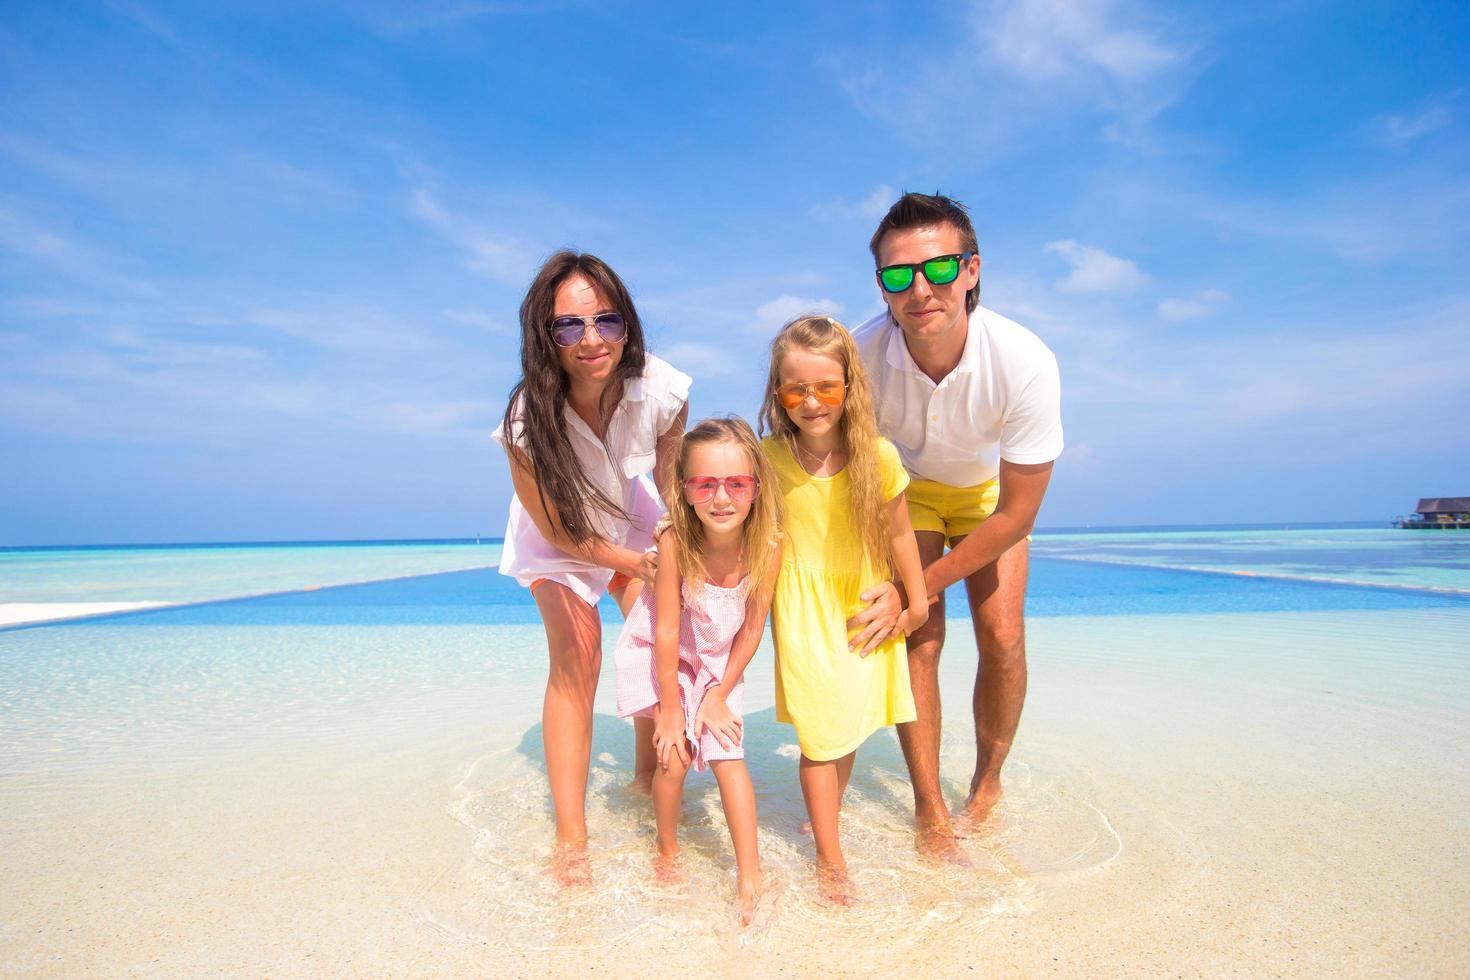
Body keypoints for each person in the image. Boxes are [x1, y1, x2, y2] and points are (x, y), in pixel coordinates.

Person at [850, 192, 1063, 852]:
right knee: (919, 635)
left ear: (971, 270)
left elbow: (1018, 512)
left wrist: (922, 583)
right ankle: (930, 807)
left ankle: (988, 783)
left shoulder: (1024, 360)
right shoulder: (858, 355)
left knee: (1001, 636)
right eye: (898, 275)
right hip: (905, 494)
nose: (920, 289)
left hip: (987, 499)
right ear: (881, 287)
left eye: (939, 268)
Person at [491, 250, 690, 885]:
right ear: (544, 337)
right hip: (559, 531)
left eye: (606, 320)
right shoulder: (526, 418)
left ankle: (642, 776)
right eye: (569, 326)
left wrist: (673, 547)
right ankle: (571, 839)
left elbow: (668, 481)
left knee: (662, 637)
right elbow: (557, 527)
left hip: (628, 509)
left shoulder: (661, 388)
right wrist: (633, 561)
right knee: (579, 656)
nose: (592, 338)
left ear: (626, 322)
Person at [758, 315, 929, 904]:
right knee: (819, 735)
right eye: (795, 388)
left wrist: (917, 602)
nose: (811, 401)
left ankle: (821, 818)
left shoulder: (876, 456)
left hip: (862, 603)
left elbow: (902, 533)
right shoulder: (768, 458)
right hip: (801, 611)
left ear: (849, 386)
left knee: (850, 721)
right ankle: (830, 860)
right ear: (778, 393)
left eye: (825, 387)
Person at [611, 416, 781, 925]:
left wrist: (718, 696)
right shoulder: (675, 543)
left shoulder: (767, 547)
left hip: (719, 665)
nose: (721, 498)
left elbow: (752, 631)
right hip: (669, 657)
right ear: (685, 491)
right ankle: (667, 848)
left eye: (737, 483)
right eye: (705, 484)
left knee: (729, 756)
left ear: (756, 487)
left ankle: (749, 876)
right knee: (674, 758)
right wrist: (667, 711)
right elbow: (665, 632)